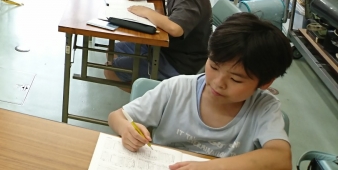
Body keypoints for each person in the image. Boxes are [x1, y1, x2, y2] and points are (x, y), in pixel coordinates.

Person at [108, 13, 293, 168]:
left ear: (265, 83)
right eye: (213, 66)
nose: (218, 83)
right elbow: (116, 117)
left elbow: (281, 158)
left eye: (235, 79)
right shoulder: (177, 88)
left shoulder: (264, 107)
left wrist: (211, 167)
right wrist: (126, 129)